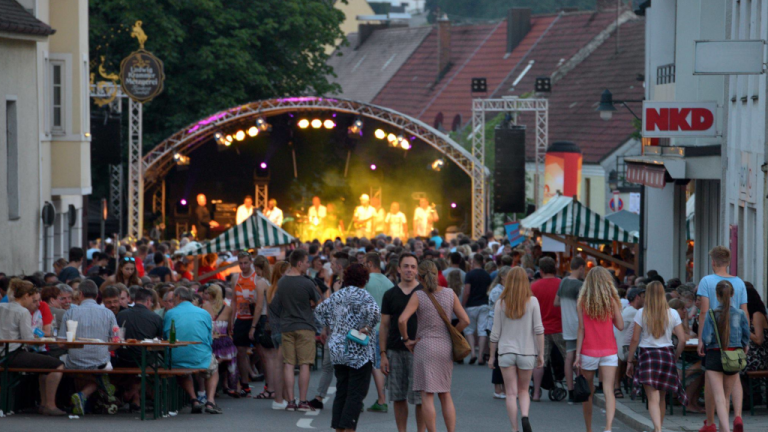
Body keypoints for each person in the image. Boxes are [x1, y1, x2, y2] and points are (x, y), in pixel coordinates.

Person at [398, 260, 469, 432]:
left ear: (420, 277)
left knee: (427, 395)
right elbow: (465, 320)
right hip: (445, 346)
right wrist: (452, 332)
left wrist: (407, 340)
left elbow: (402, 319)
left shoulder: (419, 296)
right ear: (437, 273)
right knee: (445, 393)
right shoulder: (449, 293)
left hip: (424, 346)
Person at [315, 263, 380, 432]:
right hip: (358, 350)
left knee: (342, 391)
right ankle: (349, 429)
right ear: (365, 279)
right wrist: (366, 328)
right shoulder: (364, 296)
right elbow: (375, 313)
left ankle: (338, 428)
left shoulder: (338, 295)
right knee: (356, 394)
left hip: (338, 349)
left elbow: (320, 310)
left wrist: (334, 325)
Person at [696, 246, 749, 432]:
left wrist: (702, 340)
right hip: (734, 344)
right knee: (732, 383)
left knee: (714, 386)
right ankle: (738, 416)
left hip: (715, 344)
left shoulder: (706, 281)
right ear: (728, 262)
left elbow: (703, 311)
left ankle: (711, 422)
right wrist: (745, 341)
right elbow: (745, 312)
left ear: (712, 262)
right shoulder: (740, 283)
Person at [625, 281, 688, 432]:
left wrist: (629, 360)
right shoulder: (672, 313)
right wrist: (675, 356)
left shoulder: (642, 312)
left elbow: (634, 339)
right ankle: (658, 427)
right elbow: (683, 339)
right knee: (662, 396)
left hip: (647, 355)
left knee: (652, 397)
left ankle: (658, 429)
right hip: (666, 354)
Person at [488, 267, 544, 432]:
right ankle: (525, 416)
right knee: (524, 390)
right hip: (527, 352)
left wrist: (492, 356)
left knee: (511, 393)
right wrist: (540, 354)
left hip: (506, 352)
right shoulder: (533, 301)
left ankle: (514, 428)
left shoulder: (501, 302)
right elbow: (539, 330)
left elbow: (495, 333)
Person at [0, 280, 66, 415]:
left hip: (3, 352)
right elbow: (28, 340)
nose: (36, 304)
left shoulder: (2, 307)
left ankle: (43, 403)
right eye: (34, 300)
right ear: (25, 296)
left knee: (43, 364)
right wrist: (39, 339)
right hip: (12, 354)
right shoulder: (23, 312)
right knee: (58, 365)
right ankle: (50, 405)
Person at [574, 266, 623, 432]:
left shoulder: (582, 302)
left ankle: (589, 429)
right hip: (609, 350)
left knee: (588, 391)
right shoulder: (611, 301)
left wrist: (577, 354)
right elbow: (621, 326)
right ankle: (608, 428)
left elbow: (581, 329)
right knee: (609, 390)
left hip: (588, 350)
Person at [58, 279, 119, 416]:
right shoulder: (108, 313)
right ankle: (84, 396)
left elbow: (61, 343)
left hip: (75, 361)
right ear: (97, 295)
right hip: (100, 361)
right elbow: (116, 341)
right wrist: (104, 349)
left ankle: (82, 397)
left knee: (69, 362)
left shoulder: (70, 313)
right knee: (101, 370)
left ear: (80, 294)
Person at [380, 253, 425, 432]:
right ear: (398, 269)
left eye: (413, 267)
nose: (409, 270)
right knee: (398, 397)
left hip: (419, 352)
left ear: (417, 270)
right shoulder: (390, 294)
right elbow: (384, 326)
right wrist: (383, 354)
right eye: (406, 266)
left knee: (420, 398)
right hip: (394, 351)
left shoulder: (424, 292)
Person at [271, 249, 320, 411]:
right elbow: (319, 302)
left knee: (289, 364)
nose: (308, 265)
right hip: (305, 326)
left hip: (287, 327)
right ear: (299, 263)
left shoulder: (282, 282)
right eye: (306, 262)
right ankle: (303, 401)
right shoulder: (307, 282)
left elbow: (275, 306)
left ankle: (290, 401)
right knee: (305, 364)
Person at [164, 287, 222, 414]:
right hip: (201, 357)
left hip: (176, 357)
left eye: (173, 297)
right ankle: (210, 401)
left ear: (178, 297)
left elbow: (165, 337)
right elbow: (209, 338)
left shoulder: (170, 313)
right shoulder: (204, 313)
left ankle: (194, 399)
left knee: (181, 370)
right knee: (213, 368)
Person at [114, 288, 164, 410]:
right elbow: (161, 340)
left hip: (123, 357)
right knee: (155, 366)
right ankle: (133, 395)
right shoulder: (155, 317)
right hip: (145, 359)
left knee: (136, 367)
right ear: (148, 301)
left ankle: (135, 398)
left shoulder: (121, 315)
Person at [229, 251, 266, 397]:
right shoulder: (235, 278)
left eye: (245, 263)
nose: (243, 266)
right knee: (240, 353)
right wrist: (232, 319)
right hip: (241, 318)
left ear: (251, 262)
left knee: (262, 352)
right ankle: (245, 384)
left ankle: (268, 385)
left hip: (255, 318)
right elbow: (233, 300)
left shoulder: (257, 277)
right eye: (240, 263)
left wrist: (255, 302)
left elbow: (263, 301)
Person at [362, 252, 394, 413]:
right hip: (385, 327)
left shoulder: (366, 281)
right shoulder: (389, 282)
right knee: (377, 363)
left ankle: (382, 400)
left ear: (369, 263)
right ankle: (379, 399)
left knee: (372, 365)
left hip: (369, 328)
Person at [529, 256, 564, 401]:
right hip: (560, 327)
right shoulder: (561, 284)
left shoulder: (534, 286)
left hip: (540, 329)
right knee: (569, 357)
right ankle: (577, 387)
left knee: (540, 361)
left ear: (541, 270)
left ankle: (536, 392)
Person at [553, 256, 586, 403]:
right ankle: (580, 388)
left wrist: (566, 308)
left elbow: (556, 302)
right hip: (579, 325)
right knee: (580, 357)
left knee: (569, 357)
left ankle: (571, 391)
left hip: (566, 324)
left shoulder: (563, 282)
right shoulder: (580, 285)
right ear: (580, 267)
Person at [202, 283, 238, 398]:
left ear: (210, 295)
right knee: (232, 362)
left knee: (212, 364)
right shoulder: (228, 309)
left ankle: (211, 390)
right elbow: (230, 328)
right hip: (225, 343)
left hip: (211, 343)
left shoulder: (204, 307)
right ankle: (234, 386)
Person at [267, 260, 291, 410]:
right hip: (284, 329)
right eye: (288, 271)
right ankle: (281, 398)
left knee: (280, 366)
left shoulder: (270, 289)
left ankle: (281, 398)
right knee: (282, 366)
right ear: (282, 272)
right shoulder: (282, 289)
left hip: (275, 330)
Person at [614, 286, 644, 399]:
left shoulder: (628, 310)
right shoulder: (635, 313)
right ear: (637, 298)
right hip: (626, 351)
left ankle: (618, 386)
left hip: (621, 350)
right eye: (643, 297)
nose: (646, 300)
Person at [487, 266, 511, 397]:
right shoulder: (498, 291)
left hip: (501, 325)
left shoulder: (504, 289)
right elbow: (497, 308)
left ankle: (504, 388)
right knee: (498, 357)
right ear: (503, 277)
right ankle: (498, 388)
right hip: (495, 326)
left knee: (502, 357)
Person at [463, 254, 491, 365]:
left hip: (471, 305)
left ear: (473, 261)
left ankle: (473, 353)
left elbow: (467, 291)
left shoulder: (469, 275)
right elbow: (488, 290)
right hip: (484, 304)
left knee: (469, 330)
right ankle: (480, 356)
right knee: (482, 330)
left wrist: (462, 304)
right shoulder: (487, 275)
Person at [744, 282, 768, 373]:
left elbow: (759, 340)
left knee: (731, 367)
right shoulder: (749, 315)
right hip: (750, 354)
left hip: (758, 357)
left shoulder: (757, 314)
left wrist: (743, 328)